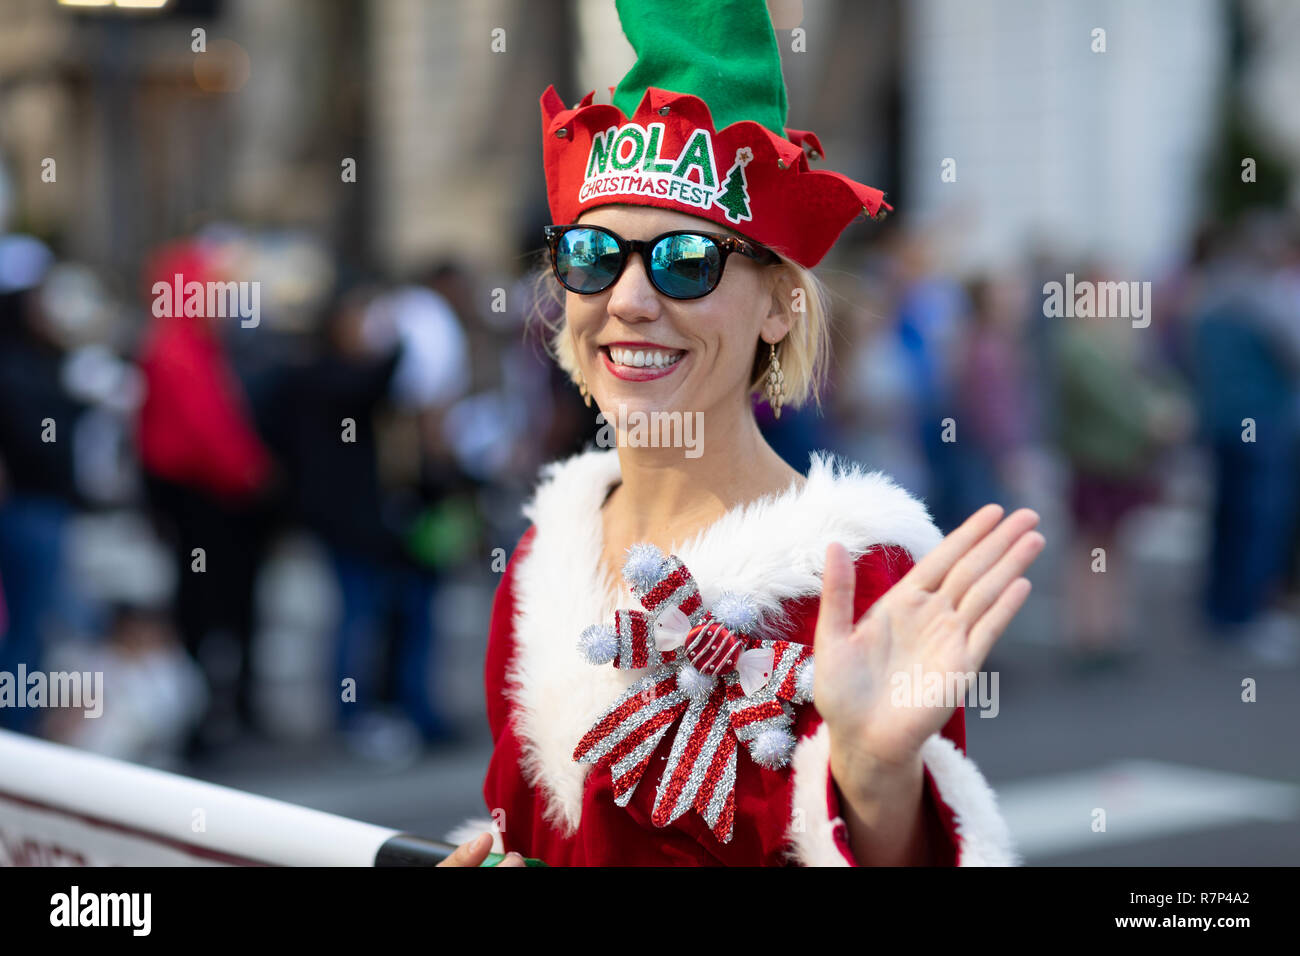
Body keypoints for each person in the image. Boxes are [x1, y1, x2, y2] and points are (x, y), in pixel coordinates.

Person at [440, 0, 1043, 867]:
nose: (630, 300)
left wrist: (876, 788)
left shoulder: (860, 580)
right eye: (592, 256)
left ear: (778, 304)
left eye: (687, 260)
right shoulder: (541, 559)